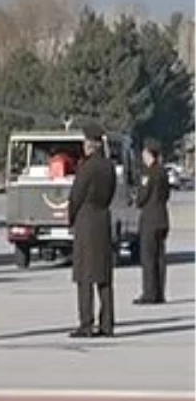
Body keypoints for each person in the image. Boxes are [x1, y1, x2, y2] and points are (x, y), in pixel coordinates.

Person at [68, 124, 117, 337]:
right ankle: (107, 323)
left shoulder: (86, 168)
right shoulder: (109, 167)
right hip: (103, 219)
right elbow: (112, 192)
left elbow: (75, 196)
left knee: (85, 275)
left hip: (86, 221)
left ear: (90, 144)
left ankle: (86, 323)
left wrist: (70, 219)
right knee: (104, 275)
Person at [135, 138, 170, 305]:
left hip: (150, 219)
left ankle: (149, 293)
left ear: (150, 154)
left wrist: (137, 201)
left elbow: (142, 196)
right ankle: (159, 292)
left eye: (144, 152)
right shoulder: (163, 172)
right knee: (160, 258)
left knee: (148, 257)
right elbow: (167, 195)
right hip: (162, 217)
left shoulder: (148, 173)